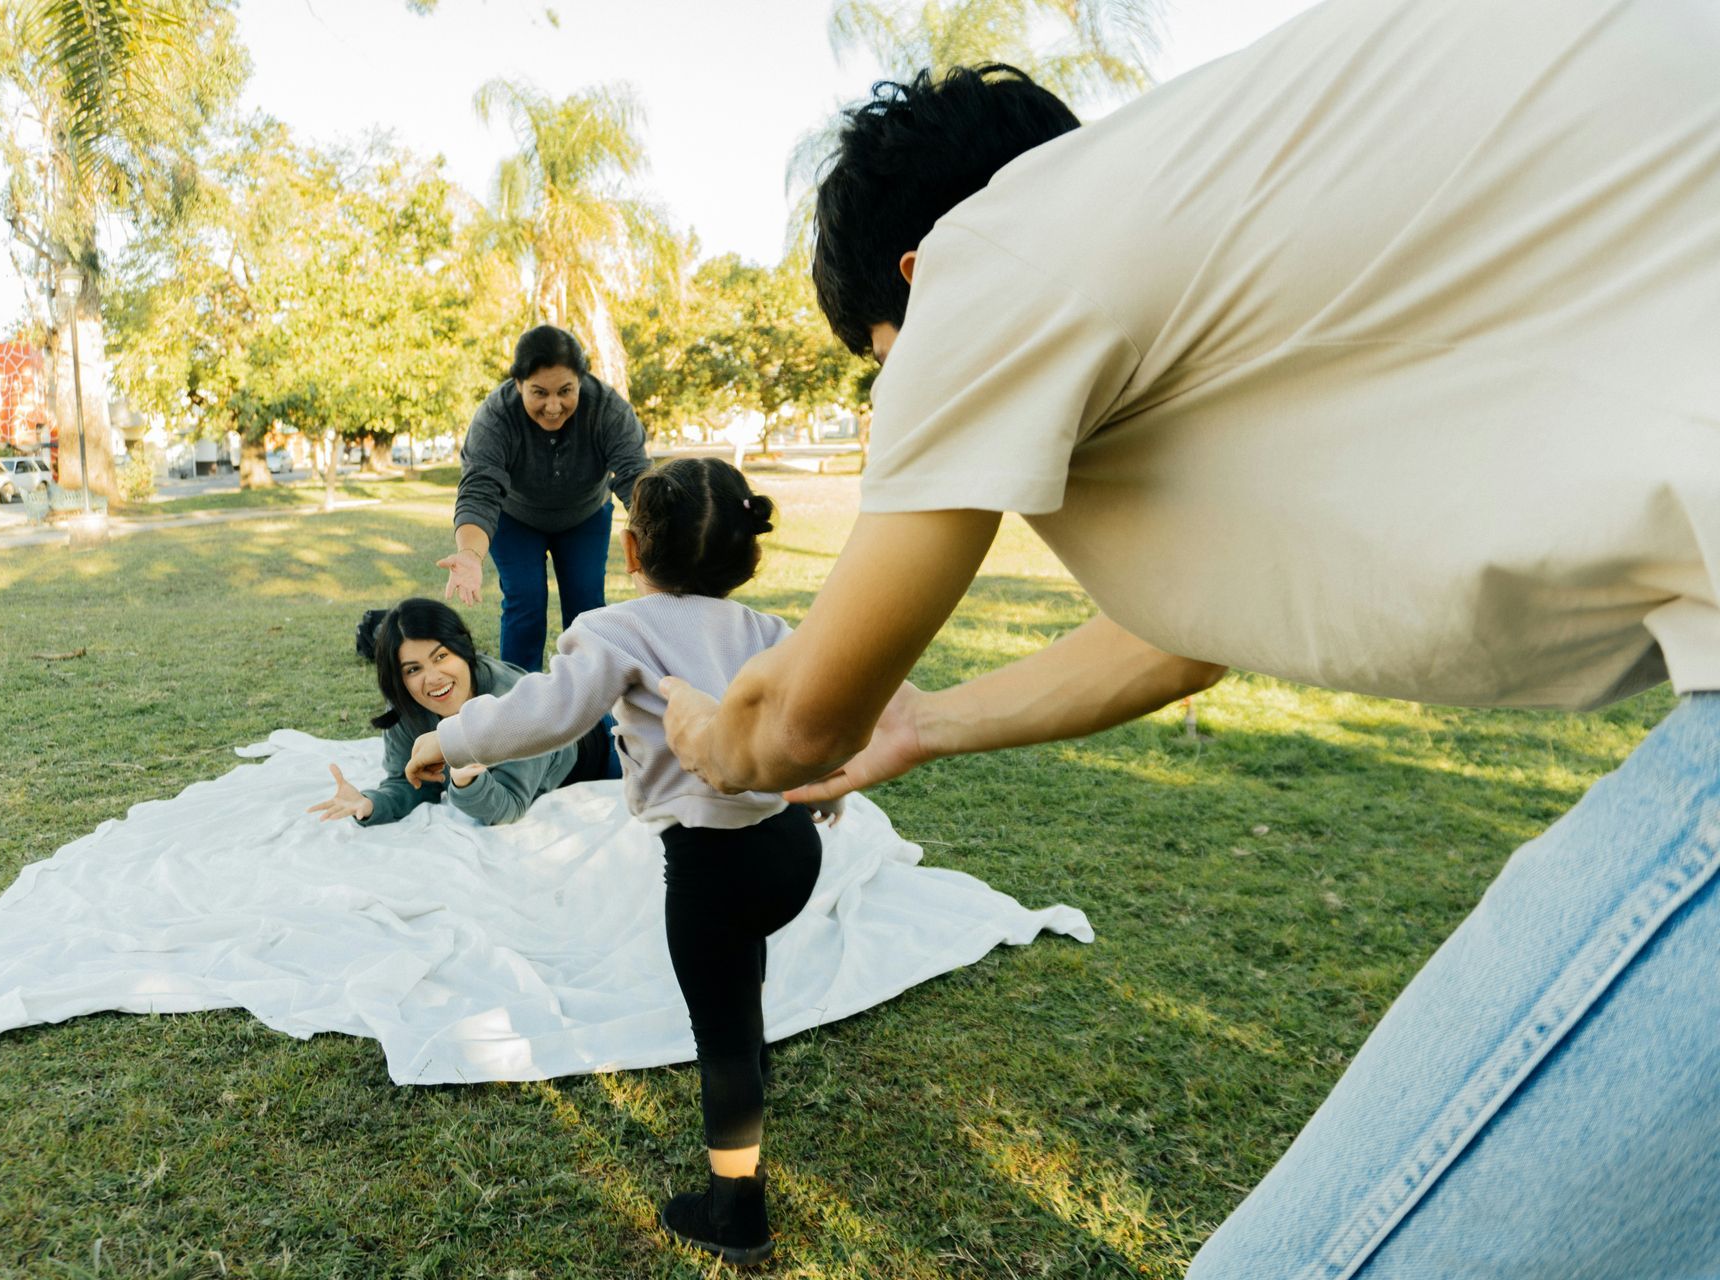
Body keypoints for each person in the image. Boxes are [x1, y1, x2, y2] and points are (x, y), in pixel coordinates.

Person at [661, 8, 1720, 1275]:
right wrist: (927, 720)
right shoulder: (1219, 207)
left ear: (910, 278)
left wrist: (707, 734)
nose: (907, 398)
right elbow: (1179, 642)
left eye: (889, 370)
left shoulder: (989, 256)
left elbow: (797, 722)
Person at [405, 459, 836, 1266]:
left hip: (713, 867)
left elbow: (547, 711)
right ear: (749, 556)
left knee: (726, 1040)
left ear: (631, 550)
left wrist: (447, 736)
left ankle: (736, 1214)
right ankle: (749, 1073)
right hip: (790, 849)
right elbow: (807, 723)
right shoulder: (771, 632)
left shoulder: (617, 630)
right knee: (742, 991)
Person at [438, 325, 652, 672]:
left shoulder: (608, 409)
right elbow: (480, 490)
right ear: (518, 383)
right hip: (516, 519)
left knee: (587, 606)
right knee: (526, 603)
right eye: (539, 393)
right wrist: (470, 554)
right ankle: (518, 708)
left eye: (566, 391)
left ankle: (592, 710)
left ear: (581, 380)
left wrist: (662, 538)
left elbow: (636, 479)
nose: (554, 406)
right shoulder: (495, 416)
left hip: (585, 516)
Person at [307, 598, 617, 828]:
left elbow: (509, 806)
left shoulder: (511, 699)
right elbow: (410, 783)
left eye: (441, 656)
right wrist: (371, 803)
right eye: (413, 669)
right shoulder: (407, 708)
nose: (433, 678)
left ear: (463, 649)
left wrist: (466, 783)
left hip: (603, 744)